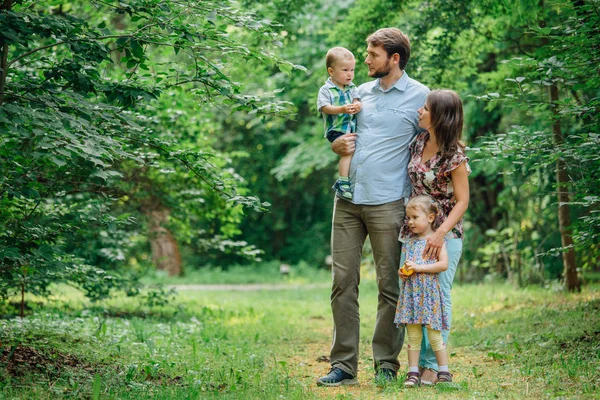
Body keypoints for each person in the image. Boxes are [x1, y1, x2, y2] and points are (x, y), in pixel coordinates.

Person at [316, 28, 429, 387]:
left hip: (389, 203)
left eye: (372, 54)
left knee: (391, 286)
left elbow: (432, 147)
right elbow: (337, 130)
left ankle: (386, 362)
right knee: (342, 283)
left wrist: (427, 206)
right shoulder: (356, 91)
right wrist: (334, 147)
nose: (364, 60)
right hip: (348, 200)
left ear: (394, 59)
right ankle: (344, 365)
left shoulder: (420, 96)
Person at [400, 89, 470, 385]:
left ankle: (431, 366)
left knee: (438, 297)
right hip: (415, 234)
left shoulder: (454, 156)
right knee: (417, 292)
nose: (419, 111)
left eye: (425, 108)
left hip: (445, 235)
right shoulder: (418, 142)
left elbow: (463, 201)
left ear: (439, 115)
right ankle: (418, 365)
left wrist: (439, 234)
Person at [394, 195, 452, 387]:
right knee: (413, 337)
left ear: (430, 217)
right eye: (408, 218)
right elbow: (404, 266)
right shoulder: (408, 242)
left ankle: (444, 371)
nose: (410, 222)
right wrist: (403, 272)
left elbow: (443, 265)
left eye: (415, 217)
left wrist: (419, 268)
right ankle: (412, 373)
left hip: (429, 296)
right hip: (411, 296)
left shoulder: (437, 241)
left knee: (435, 336)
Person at [317, 47, 362, 200]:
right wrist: (342, 109)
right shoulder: (326, 90)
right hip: (336, 129)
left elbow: (357, 99)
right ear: (331, 71)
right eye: (345, 70)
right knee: (347, 152)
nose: (350, 74)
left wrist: (357, 105)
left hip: (350, 128)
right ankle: (342, 182)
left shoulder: (352, 87)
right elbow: (324, 108)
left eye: (352, 70)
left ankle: (349, 179)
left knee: (354, 150)